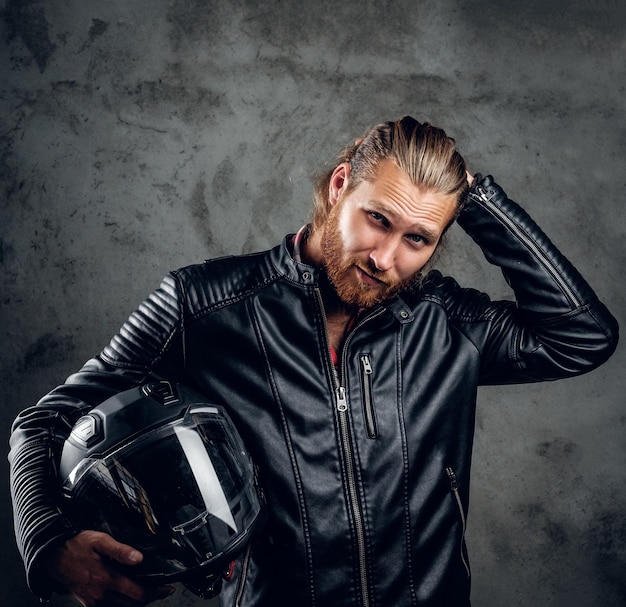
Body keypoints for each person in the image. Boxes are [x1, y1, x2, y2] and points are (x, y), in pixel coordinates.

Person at [9, 116, 618, 607]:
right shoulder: (204, 303)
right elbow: (45, 422)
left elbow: (583, 336)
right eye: (378, 218)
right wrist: (47, 541)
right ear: (340, 186)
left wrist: (478, 203)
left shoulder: (445, 320)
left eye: (418, 238)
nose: (385, 258)